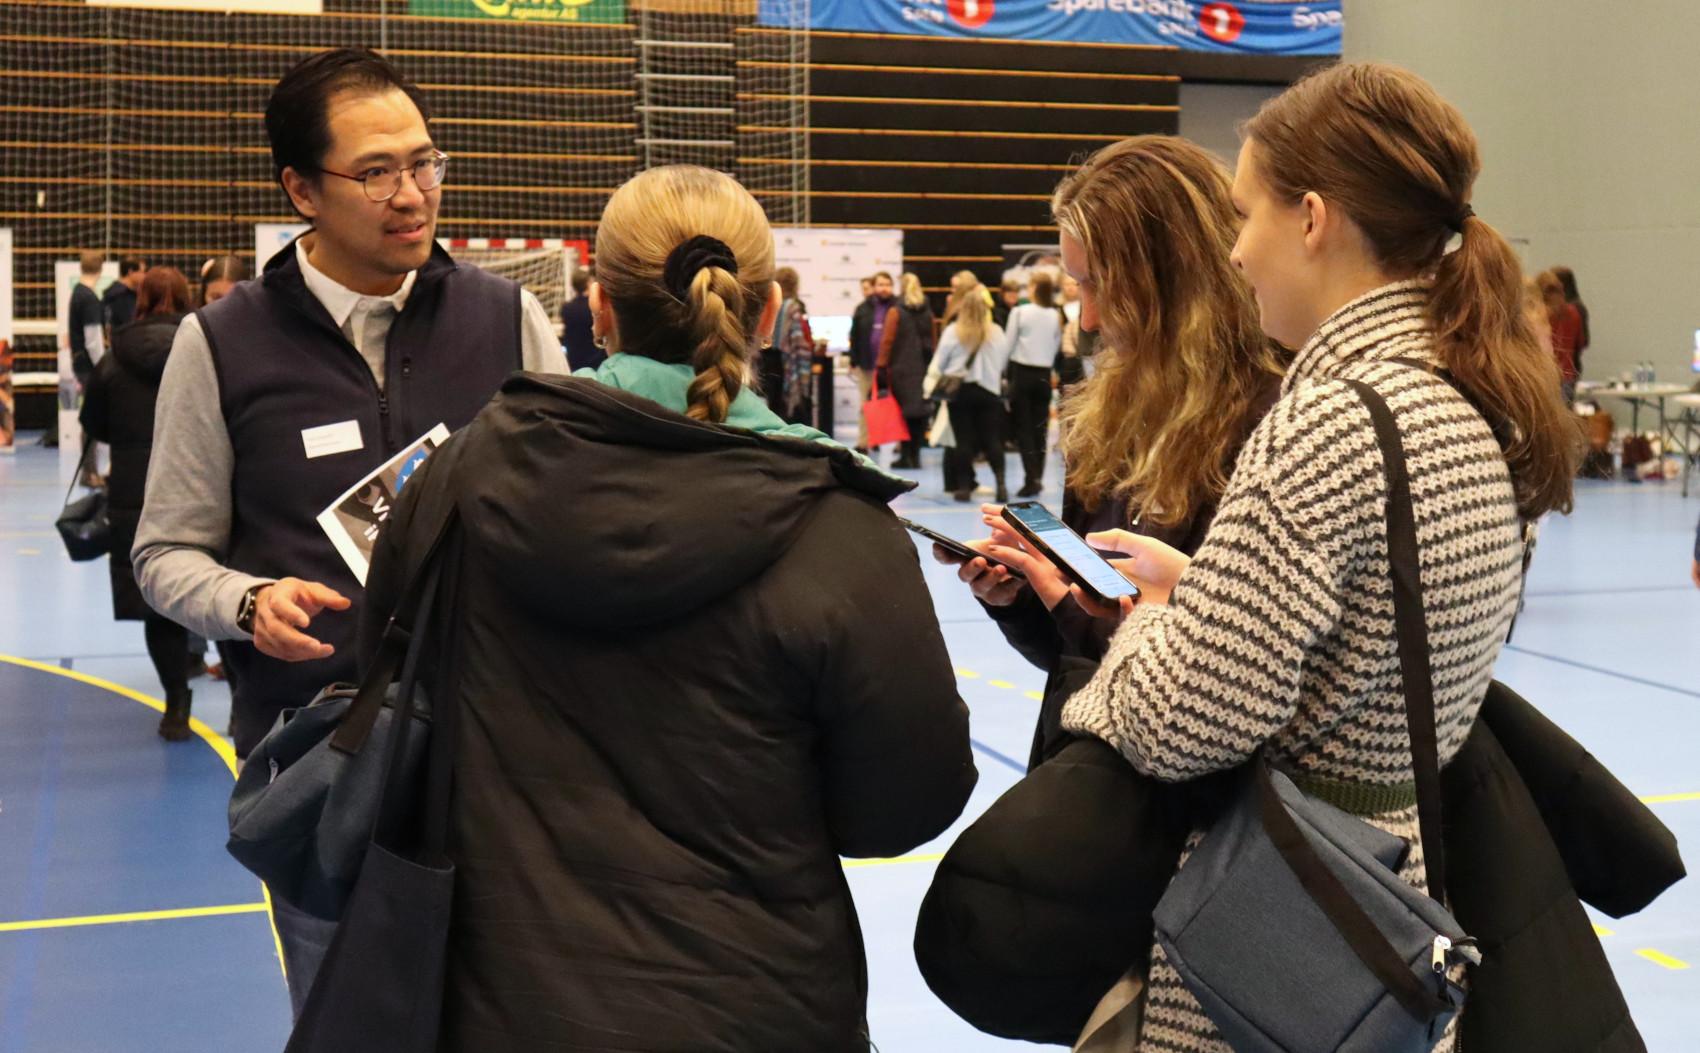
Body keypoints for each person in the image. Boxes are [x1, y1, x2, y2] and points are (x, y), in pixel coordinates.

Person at [360, 163, 977, 1051]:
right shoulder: (842, 531)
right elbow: (905, 807)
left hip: (495, 998)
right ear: (765, 316)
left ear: (599, 308)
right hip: (759, 1002)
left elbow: (381, 694)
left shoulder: (456, 477)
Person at [1032, 63, 1576, 1053]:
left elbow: (1171, 725)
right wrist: (1203, 589)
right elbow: (1370, 643)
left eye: (1245, 215)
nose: (1233, 251)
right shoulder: (1468, 402)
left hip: (1277, 931)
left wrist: (1142, 629)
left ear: (1313, 219)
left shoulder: (1329, 424)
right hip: (1383, 901)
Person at [133, 47, 568, 759]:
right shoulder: (218, 342)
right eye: (376, 173)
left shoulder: (509, 319)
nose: (412, 194)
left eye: (424, 163)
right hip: (310, 750)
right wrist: (249, 602)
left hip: (494, 739)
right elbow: (165, 552)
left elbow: (569, 509)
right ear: (302, 191)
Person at [943, 136, 1285, 760]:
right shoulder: (1108, 416)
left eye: (1104, 286)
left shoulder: (1272, 427)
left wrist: (1065, 604)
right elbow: (1077, 664)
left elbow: (1221, 689)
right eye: (1078, 287)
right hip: (1088, 770)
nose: (1090, 320)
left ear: (1180, 280)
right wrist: (1023, 600)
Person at [80, 267, 198, 739]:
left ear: (140, 300)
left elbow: (97, 424)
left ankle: (176, 704)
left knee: (158, 599)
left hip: (138, 494)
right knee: (224, 579)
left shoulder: (114, 360)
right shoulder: (209, 350)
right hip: (201, 486)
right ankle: (234, 704)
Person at [934, 285, 1010, 503]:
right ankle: (1001, 485)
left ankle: (964, 487)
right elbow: (1003, 362)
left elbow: (941, 362)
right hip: (989, 392)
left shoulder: (953, 331)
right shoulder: (996, 331)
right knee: (993, 441)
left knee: (963, 441)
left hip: (962, 393)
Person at [849, 270, 925, 464]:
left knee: (898, 407)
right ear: (873, 287)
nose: (884, 288)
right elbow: (855, 336)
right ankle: (864, 442)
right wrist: (853, 360)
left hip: (893, 368)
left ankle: (901, 444)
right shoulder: (862, 309)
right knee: (866, 406)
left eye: (887, 284)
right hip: (868, 365)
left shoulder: (899, 308)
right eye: (880, 284)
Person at [1004, 272, 1065, 496]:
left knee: (1024, 429)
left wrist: (1002, 374)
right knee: (1041, 429)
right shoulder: (1054, 314)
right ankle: (1037, 475)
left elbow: (1008, 345)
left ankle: (1031, 477)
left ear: (1034, 288)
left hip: (1022, 373)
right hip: (1043, 375)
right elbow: (1056, 344)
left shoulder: (1020, 312)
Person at [772, 266, 815, 424]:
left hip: (770, 359)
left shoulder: (770, 303)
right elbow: (801, 340)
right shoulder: (796, 306)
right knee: (795, 405)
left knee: (774, 404)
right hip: (790, 361)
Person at [1538, 268, 1584, 402]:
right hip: (1568, 373)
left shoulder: (1541, 315)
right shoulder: (1574, 313)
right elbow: (1580, 342)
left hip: (1546, 374)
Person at [68, 251, 105, 389]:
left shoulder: (78, 292)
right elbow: (93, 340)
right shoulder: (89, 298)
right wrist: (102, 366)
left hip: (80, 362)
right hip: (88, 365)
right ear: (101, 269)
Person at [560, 266, 601, 372]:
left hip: (574, 362)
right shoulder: (595, 306)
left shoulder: (567, 308)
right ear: (588, 283)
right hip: (595, 361)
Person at [1552, 265, 1589, 376]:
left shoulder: (1574, 309)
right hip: (1567, 368)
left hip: (1566, 368)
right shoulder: (1578, 307)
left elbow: (1583, 341)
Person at [900, 271, 936, 364]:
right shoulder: (926, 306)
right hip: (925, 352)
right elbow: (932, 331)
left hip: (903, 354)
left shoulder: (897, 308)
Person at [102, 257, 147, 332]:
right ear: (131, 272)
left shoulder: (127, 293)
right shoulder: (119, 295)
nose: (145, 276)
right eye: (142, 272)